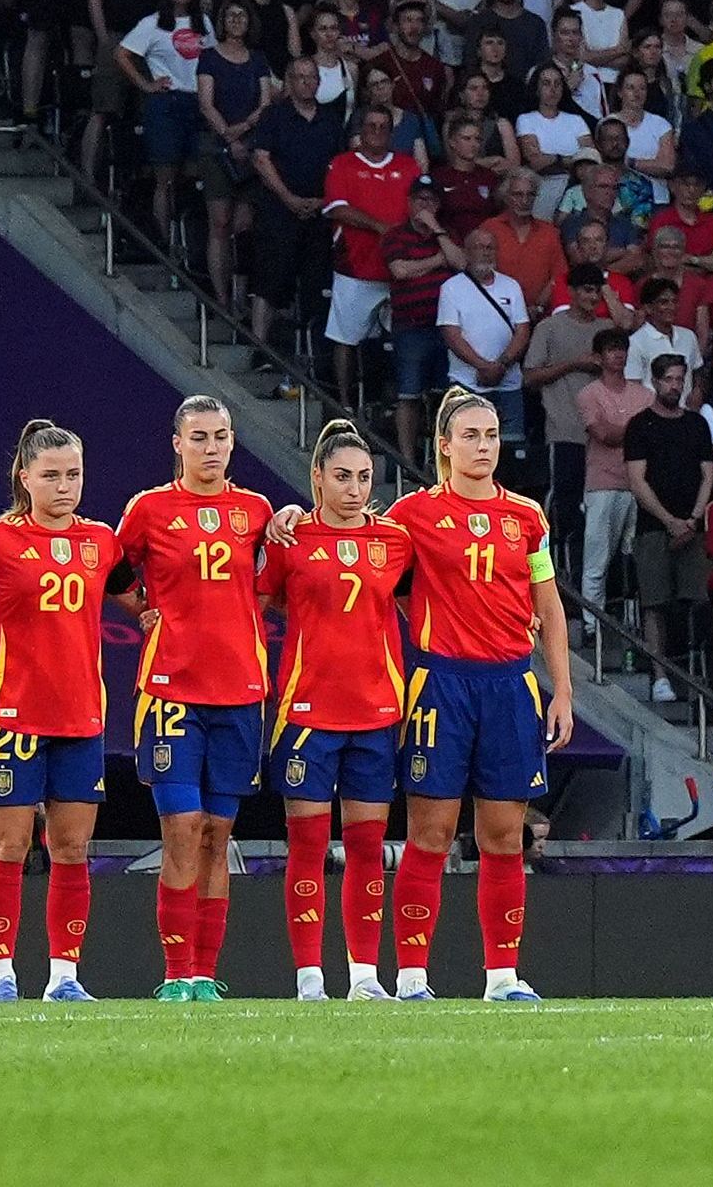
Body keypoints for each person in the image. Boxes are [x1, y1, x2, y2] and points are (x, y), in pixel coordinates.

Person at [387, 387, 575, 1000]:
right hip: (440, 683)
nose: (484, 446)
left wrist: (562, 691)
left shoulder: (527, 517)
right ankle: (412, 977)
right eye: (470, 436)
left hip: (511, 685)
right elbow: (371, 567)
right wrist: (291, 519)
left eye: (491, 435)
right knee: (431, 834)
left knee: (503, 837)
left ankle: (502, 977)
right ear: (444, 445)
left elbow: (549, 605)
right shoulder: (412, 515)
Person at [112, 394, 277, 999]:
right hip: (171, 690)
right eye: (199, 437)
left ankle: (205, 974)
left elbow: (272, 582)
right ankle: (175, 972)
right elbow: (111, 569)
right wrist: (142, 610)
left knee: (216, 834)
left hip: (240, 691)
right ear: (177, 443)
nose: (211, 448)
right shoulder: (149, 509)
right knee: (181, 827)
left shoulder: (256, 510)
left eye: (221, 437)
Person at [0, 418, 118, 1000]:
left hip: (81, 717)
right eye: (51, 476)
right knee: (8, 847)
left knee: (71, 849)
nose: (64, 486)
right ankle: (1, 975)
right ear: (24, 477)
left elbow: (132, 592)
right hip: (13, 715)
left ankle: (64, 977)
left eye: (73, 474)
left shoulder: (102, 540)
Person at [264, 420, 413, 1000]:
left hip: (376, 714)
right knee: (306, 847)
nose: (354, 489)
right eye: (343, 476)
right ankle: (309, 978)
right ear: (318, 478)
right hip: (307, 715)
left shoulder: (394, 541)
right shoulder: (291, 538)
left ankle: (365, 977)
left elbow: (427, 602)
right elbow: (260, 601)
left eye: (364, 478)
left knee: (366, 849)